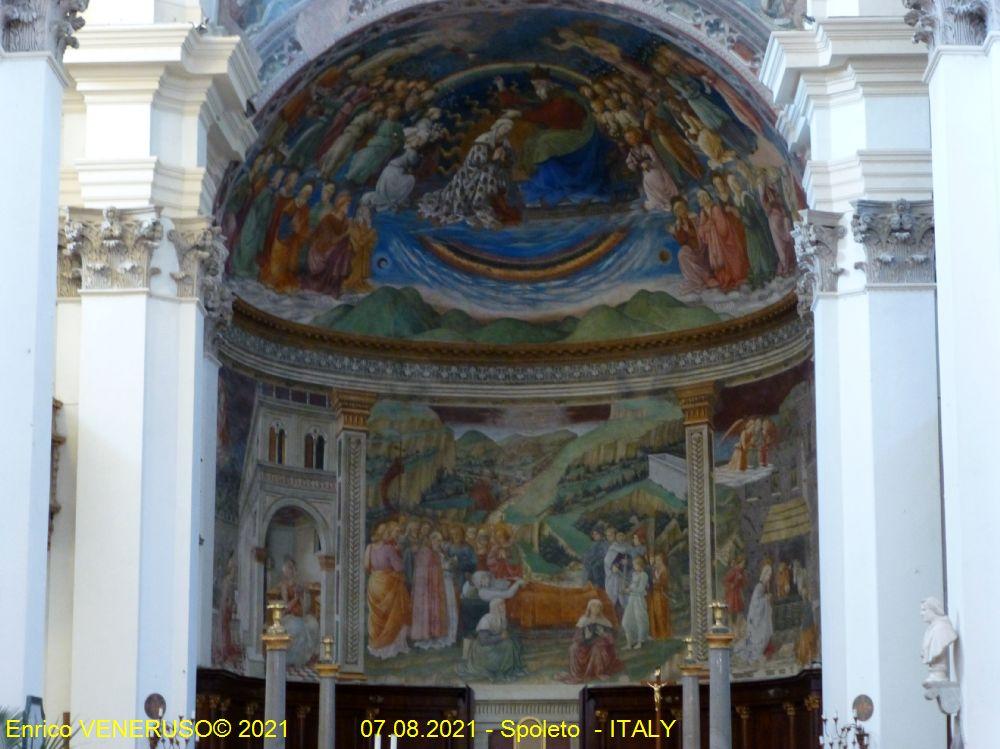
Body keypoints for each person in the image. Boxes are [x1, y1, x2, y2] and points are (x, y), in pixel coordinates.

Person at [419, 117, 519, 229]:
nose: (505, 131)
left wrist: (504, 159)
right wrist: (494, 158)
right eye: (504, 128)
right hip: (474, 172)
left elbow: (511, 161)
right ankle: (480, 206)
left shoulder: (505, 143)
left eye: (508, 130)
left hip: (494, 171)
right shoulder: (484, 139)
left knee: (500, 174)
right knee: (488, 172)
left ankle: (497, 206)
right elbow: (476, 161)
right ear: (497, 127)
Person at [366, 523, 411, 659]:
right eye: (388, 532)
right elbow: (399, 567)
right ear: (384, 534)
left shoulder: (369, 548)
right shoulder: (389, 549)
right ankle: (391, 648)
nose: (391, 535)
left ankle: (377, 646)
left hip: (374, 584)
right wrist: (399, 555)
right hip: (388, 584)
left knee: (377, 616)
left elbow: (366, 566)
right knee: (393, 616)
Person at [562, 599, 624, 683]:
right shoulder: (583, 620)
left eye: (598, 607)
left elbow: (611, 640)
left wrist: (603, 634)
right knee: (573, 648)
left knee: (597, 648)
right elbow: (576, 637)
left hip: (599, 644)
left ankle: (598, 672)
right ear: (589, 608)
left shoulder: (605, 621)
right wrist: (585, 637)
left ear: (600, 609)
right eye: (593, 606)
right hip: (584, 644)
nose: (595, 608)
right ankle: (577, 674)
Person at [462, 599, 525, 681]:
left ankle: (513, 669)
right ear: (495, 607)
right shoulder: (486, 619)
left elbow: (502, 632)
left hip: (494, 644)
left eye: (504, 604)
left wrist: (505, 635)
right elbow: (483, 641)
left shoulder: (502, 618)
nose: (504, 607)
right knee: (508, 645)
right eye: (501, 605)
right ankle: (504, 671)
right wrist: (501, 637)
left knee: (514, 642)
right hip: (483, 649)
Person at [276, 557, 320, 667]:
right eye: (288, 568)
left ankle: (309, 657)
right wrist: (296, 598)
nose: (290, 570)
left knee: (313, 623)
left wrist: (301, 596)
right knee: (298, 627)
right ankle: (294, 660)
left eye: (292, 568)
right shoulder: (284, 585)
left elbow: (304, 607)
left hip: (300, 615)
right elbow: (286, 607)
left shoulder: (299, 585)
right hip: (288, 616)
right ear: (285, 570)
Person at [411, 524, 449, 648]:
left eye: (440, 541)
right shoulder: (424, 552)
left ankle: (434, 634)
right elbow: (421, 571)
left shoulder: (437, 553)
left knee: (435, 608)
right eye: (437, 540)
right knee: (426, 609)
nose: (439, 543)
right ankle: (425, 635)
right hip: (425, 589)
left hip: (435, 586)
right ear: (432, 540)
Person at [624, 128, 679, 212]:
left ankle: (668, 200)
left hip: (656, 170)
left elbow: (655, 159)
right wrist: (637, 166)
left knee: (655, 178)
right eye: (627, 138)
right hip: (646, 174)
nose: (629, 140)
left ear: (637, 137)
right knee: (648, 181)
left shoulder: (646, 147)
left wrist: (648, 163)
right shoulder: (632, 153)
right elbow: (629, 164)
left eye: (631, 137)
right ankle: (660, 201)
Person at [671, 197, 718, 294]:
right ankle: (694, 280)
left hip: (701, 248)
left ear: (685, 207)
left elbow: (699, 234)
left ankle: (706, 277)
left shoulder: (694, 217)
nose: (679, 211)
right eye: (676, 210)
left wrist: (689, 230)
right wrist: (676, 233)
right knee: (682, 253)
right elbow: (682, 241)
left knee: (685, 253)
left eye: (680, 207)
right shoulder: (678, 223)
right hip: (691, 250)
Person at [736, 561, 774, 662]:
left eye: (770, 575)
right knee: (763, 633)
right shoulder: (759, 587)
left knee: (766, 631)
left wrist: (766, 598)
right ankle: (758, 652)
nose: (769, 577)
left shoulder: (764, 587)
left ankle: (766, 649)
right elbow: (756, 603)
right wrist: (766, 599)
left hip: (760, 617)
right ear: (764, 575)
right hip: (756, 618)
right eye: (768, 575)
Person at [921, 597, 958, 683]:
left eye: (924, 610)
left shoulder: (942, 628)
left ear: (933, 609)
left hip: (940, 673)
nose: (921, 614)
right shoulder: (930, 630)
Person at [621, 556, 650, 650]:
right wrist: (626, 588)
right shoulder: (634, 574)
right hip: (631, 600)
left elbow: (641, 589)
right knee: (626, 621)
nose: (634, 566)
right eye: (633, 564)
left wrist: (629, 590)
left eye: (635, 564)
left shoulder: (644, 575)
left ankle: (640, 641)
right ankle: (630, 643)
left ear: (640, 565)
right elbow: (632, 586)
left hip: (639, 601)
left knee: (640, 620)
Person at [603, 531, 631, 616]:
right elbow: (607, 561)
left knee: (624, 597)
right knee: (613, 597)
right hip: (613, 577)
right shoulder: (613, 547)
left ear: (625, 536)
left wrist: (628, 562)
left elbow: (636, 561)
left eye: (622, 535)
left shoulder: (628, 547)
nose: (620, 538)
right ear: (616, 537)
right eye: (619, 536)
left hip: (625, 576)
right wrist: (612, 567)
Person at [647, 553, 672, 640]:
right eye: (656, 560)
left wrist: (656, 583)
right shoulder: (655, 569)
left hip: (661, 596)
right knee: (654, 614)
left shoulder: (664, 570)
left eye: (658, 560)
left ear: (662, 560)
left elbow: (664, 584)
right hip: (654, 595)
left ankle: (663, 634)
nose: (656, 562)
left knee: (661, 614)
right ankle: (655, 634)